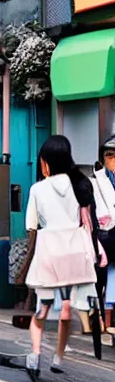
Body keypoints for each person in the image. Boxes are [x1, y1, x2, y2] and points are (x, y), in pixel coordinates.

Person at [23, 135, 98, 382]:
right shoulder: (80, 185)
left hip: (49, 254)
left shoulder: (37, 189)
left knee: (42, 308)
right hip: (75, 254)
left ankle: (34, 356)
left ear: (45, 163)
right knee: (67, 308)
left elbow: (31, 226)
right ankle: (58, 358)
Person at [91, 136, 115, 330]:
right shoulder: (95, 181)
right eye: (109, 156)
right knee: (100, 278)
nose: (114, 160)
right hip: (104, 237)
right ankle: (98, 315)